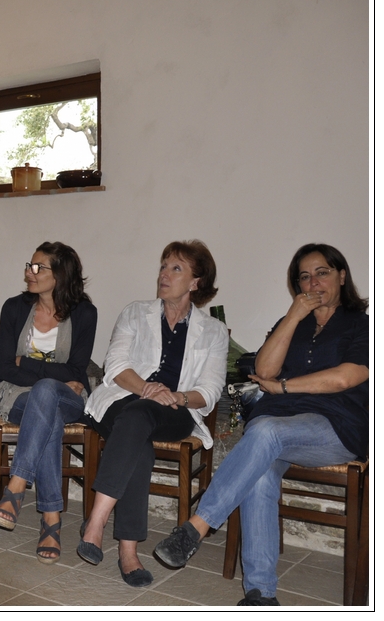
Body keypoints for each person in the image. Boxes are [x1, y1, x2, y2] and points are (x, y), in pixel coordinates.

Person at [154, 243, 369, 606]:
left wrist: (284, 387)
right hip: (278, 428)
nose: (313, 283)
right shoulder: (293, 322)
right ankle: (261, 594)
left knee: (265, 430)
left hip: (336, 427)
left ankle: (196, 527)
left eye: (322, 273)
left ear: (342, 276)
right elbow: (265, 370)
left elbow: (345, 378)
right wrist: (292, 317)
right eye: (304, 277)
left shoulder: (362, 324)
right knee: (261, 471)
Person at [77, 240, 228, 588]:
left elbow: (209, 391)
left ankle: (96, 522)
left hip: (175, 409)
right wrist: (147, 388)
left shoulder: (214, 332)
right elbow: (116, 366)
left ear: (196, 282)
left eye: (176, 268)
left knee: (139, 418)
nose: (164, 274)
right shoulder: (135, 312)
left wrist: (175, 395)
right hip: (121, 399)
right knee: (138, 438)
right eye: (163, 266)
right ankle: (127, 551)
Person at [0, 242, 98, 564]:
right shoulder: (14, 308)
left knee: (48, 391)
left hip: (69, 398)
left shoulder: (85, 313)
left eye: (38, 267)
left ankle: (17, 486)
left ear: (61, 274)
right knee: (47, 404)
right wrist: (50, 375)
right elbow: (4, 368)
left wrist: (26, 363)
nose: (29, 272)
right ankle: (51, 520)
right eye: (29, 265)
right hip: (16, 396)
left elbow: (76, 371)